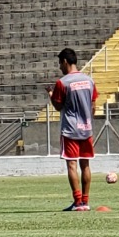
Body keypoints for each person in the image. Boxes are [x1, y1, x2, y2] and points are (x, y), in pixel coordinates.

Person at [46, 47, 97, 211]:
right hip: (86, 128)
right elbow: (93, 105)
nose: (60, 67)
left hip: (70, 129)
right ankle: (86, 201)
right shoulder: (89, 81)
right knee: (86, 165)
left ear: (65, 61)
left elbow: (58, 106)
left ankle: (77, 202)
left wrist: (50, 95)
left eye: (60, 63)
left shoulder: (63, 82)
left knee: (72, 166)